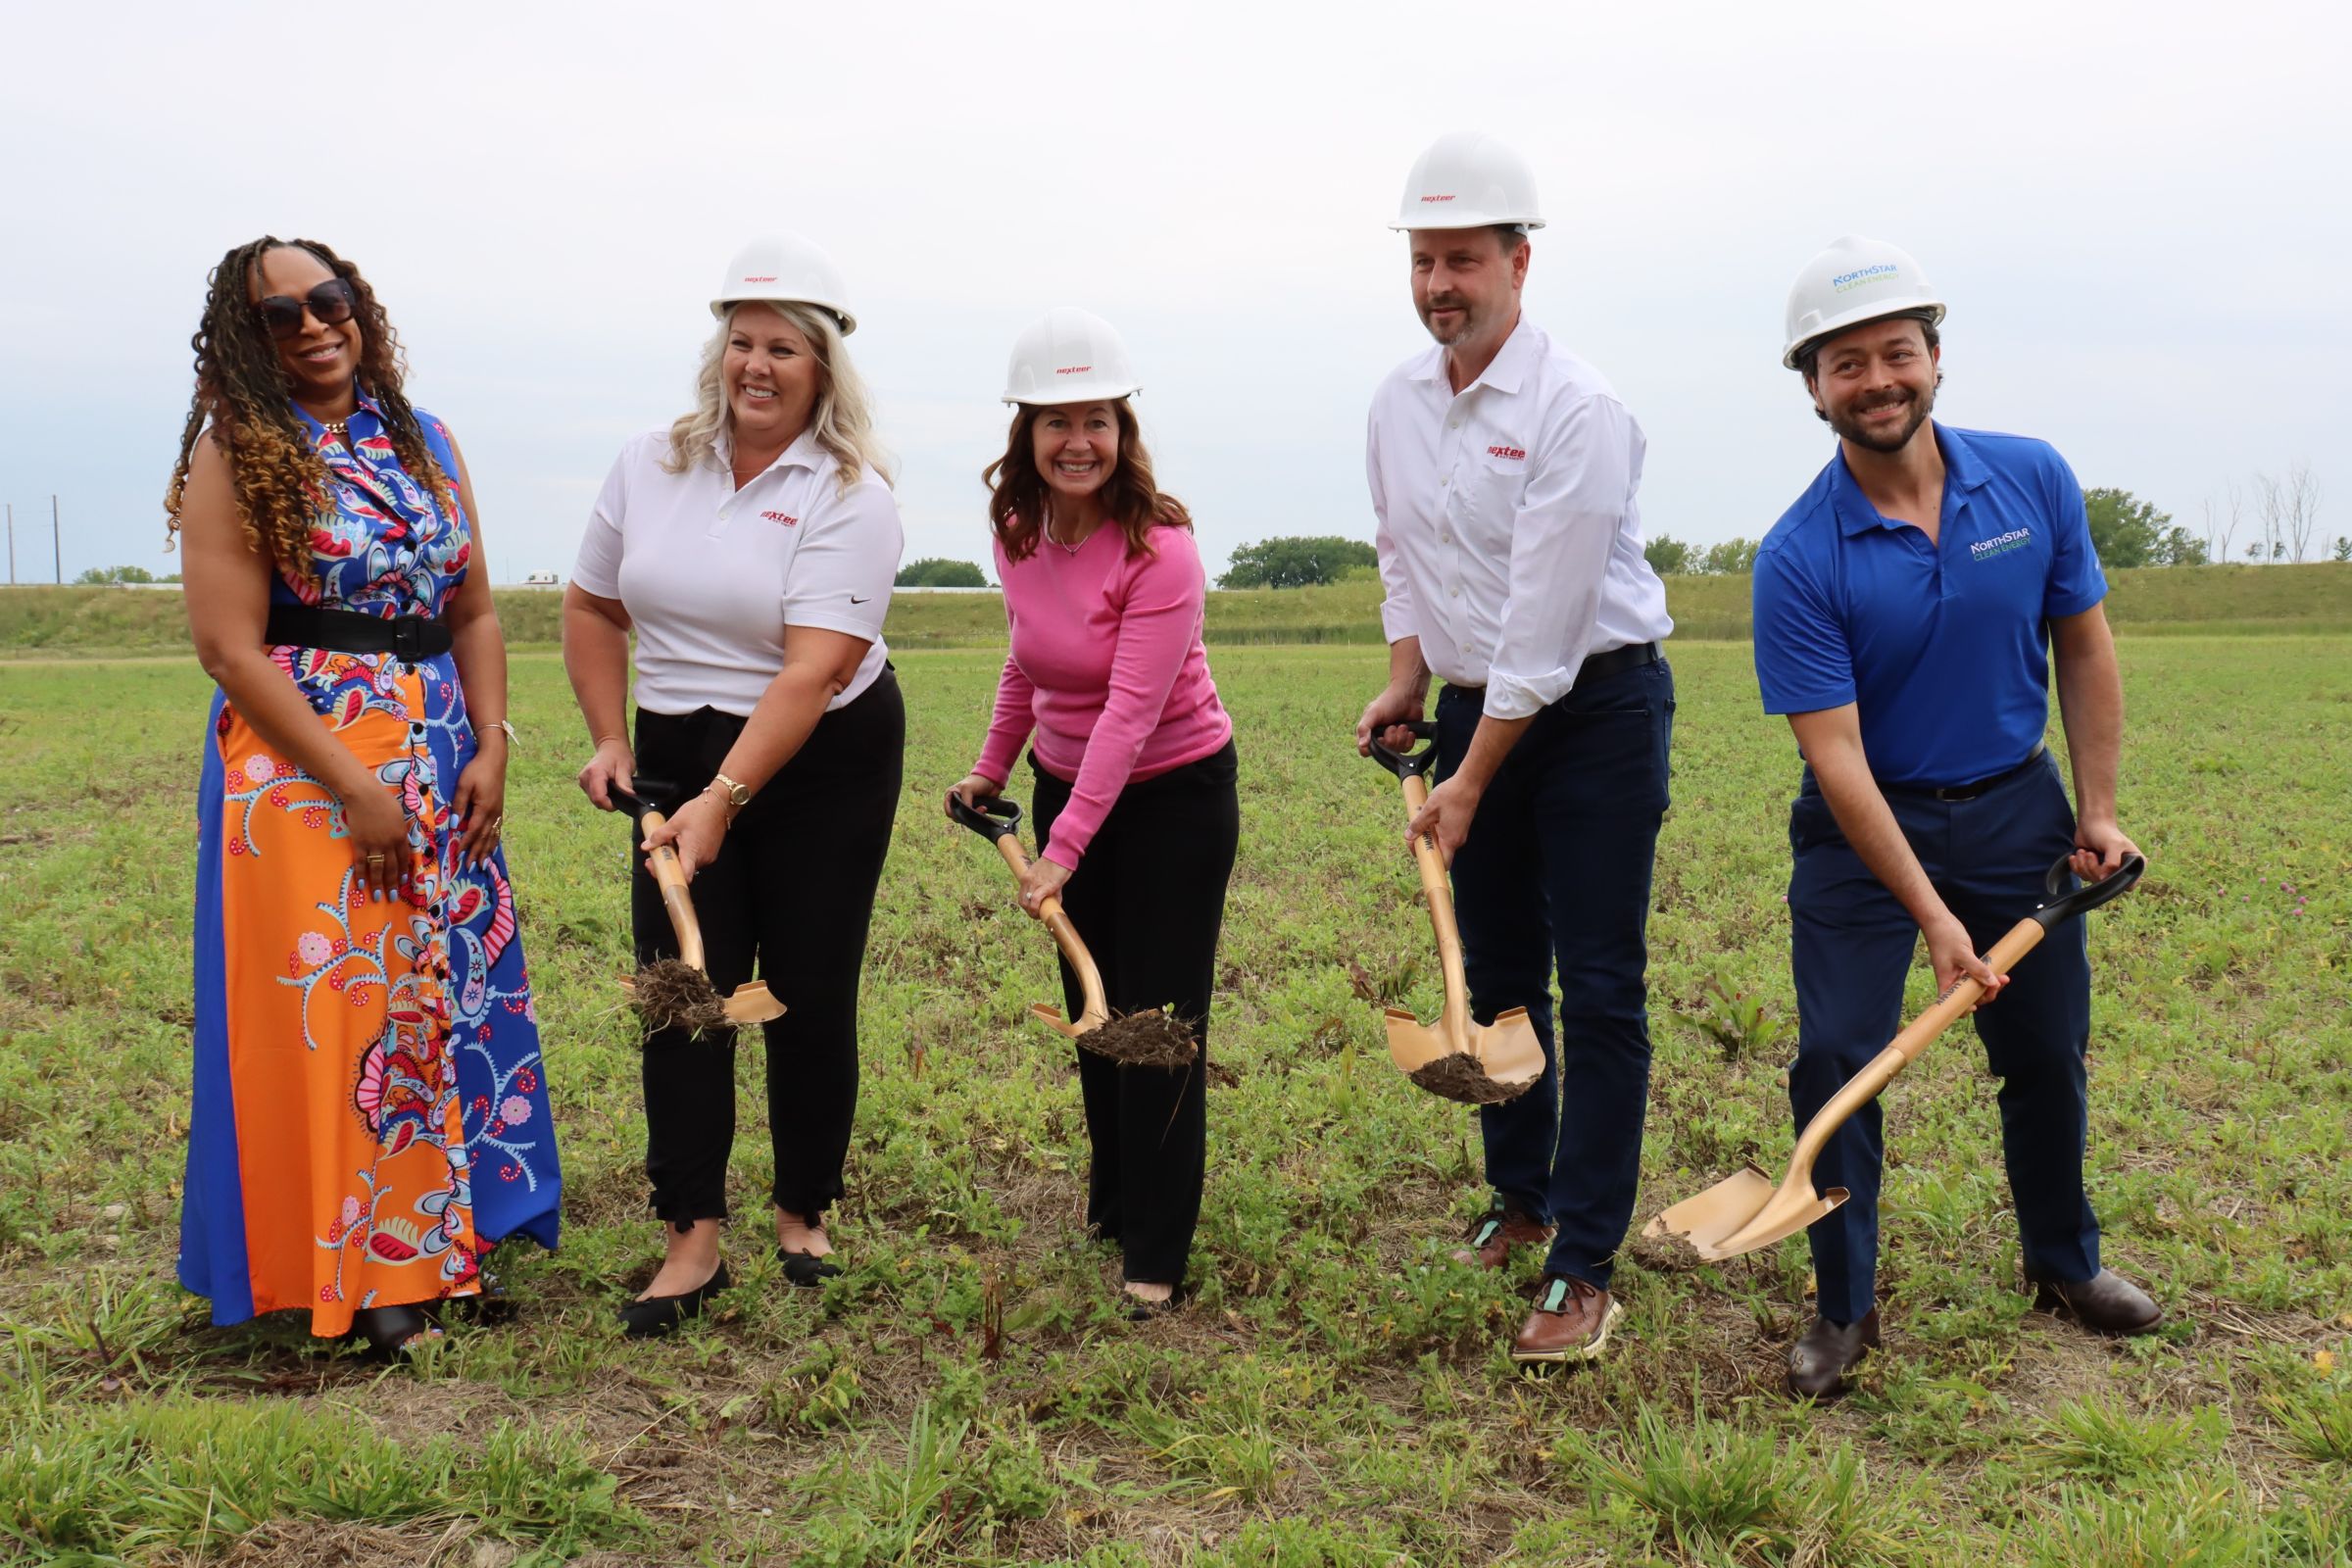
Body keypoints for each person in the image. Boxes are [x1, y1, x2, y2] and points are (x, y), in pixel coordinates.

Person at [1753, 235, 2156, 1399]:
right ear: (1813, 387)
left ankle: (2064, 1261)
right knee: (1840, 1056)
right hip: (1865, 832)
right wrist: (1931, 914)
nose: (1877, 380)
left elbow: (2082, 644)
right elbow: (1836, 757)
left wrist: (2098, 810)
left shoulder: (2031, 480)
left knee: (2045, 1050)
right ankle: (1843, 1307)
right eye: (1846, 365)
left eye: (1896, 353)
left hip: (2017, 813)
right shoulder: (1798, 555)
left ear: (1934, 357)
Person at [169, 236, 559, 1356]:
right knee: (347, 1014)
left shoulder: (425, 439)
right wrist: (355, 785)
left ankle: (445, 1245)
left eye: (326, 301)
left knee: (444, 991)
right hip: (305, 769)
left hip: (442, 749)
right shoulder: (238, 450)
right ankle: (369, 1277)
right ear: (248, 344)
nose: (312, 326)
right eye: (278, 318)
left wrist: (492, 741)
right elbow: (230, 649)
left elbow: (476, 609)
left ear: (360, 305)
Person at [1355, 133, 1676, 1367]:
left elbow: (1545, 631)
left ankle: (1585, 1260)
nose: (1443, 283)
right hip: (1477, 700)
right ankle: (1521, 1193)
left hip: (1592, 710)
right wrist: (1405, 677)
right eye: (1425, 260)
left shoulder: (1576, 409)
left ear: (1519, 263)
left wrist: (1470, 782)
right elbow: (1405, 555)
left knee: (1598, 987)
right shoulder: (1397, 401)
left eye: (1465, 260)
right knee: (1496, 974)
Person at [565, 235, 905, 1338]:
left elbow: (814, 669)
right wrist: (613, 741)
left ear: (823, 370)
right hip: (673, 750)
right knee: (681, 991)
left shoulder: (850, 493)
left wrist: (724, 797)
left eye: (785, 349)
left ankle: (803, 1209)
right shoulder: (649, 461)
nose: (757, 365)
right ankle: (691, 1237)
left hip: (819, 759)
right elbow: (589, 606)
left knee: (805, 983)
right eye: (742, 342)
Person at [947, 308, 1238, 1319]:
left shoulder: (1161, 549)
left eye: (1098, 420)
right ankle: (1117, 1202)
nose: (1079, 441)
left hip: (1173, 796)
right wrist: (994, 769)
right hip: (1071, 786)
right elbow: (1029, 661)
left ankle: (1159, 1246)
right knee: (1094, 1006)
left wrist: (1063, 848)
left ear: (1125, 432)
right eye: (1056, 421)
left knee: (1156, 1023)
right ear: (1024, 435)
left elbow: (1131, 710)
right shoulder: (1018, 532)